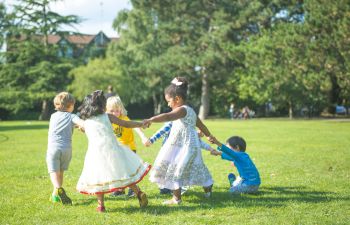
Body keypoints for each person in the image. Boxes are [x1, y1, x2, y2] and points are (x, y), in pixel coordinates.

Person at [76, 90, 151, 212]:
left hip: (95, 154)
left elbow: (87, 130)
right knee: (124, 173)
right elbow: (126, 124)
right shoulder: (108, 117)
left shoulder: (86, 122)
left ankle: (101, 205)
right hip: (113, 150)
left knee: (98, 178)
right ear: (102, 106)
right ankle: (139, 193)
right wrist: (140, 124)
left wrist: (82, 129)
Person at [144, 77, 214, 205]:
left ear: (177, 99)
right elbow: (201, 125)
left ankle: (176, 199)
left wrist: (151, 119)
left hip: (183, 146)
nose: (168, 104)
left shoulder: (182, 110)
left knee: (175, 169)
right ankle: (208, 189)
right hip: (191, 146)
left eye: (169, 101)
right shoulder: (191, 111)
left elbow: (167, 116)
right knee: (196, 167)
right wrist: (209, 136)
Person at [144, 123, 215, 195]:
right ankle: (168, 188)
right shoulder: (173, 123)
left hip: (180, 153)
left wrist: (209, 147)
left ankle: (175, 189)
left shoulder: (185, 125)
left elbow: (197, 140)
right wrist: (152, 140)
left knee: (178, 170)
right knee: (168, 170)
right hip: (169, 152)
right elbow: (162, 131)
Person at [46, 92, 85, 205]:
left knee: (53, 171)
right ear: (71, 105)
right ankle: (55, 195)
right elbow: (81, 123)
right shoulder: (72, 116)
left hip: (53, 148)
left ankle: (58, 188)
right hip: (67, 149)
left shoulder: (53, 116)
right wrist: (82, 127)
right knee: (61, 172)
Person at [106, 95, 148, 197]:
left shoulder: (124, 118)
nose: (114, 113)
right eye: (111, 111)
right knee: (118, 169)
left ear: (121, 109)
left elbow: (136, 127)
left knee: (129, 170)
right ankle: (120, 190)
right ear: (106, 110)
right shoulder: (108, 121)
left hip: (129, 148)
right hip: (116, 149)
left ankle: (133, 190)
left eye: (117, 110)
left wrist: (143, 137)